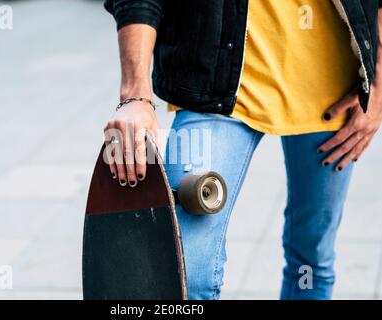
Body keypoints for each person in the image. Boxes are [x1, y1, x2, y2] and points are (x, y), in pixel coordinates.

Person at [102, 0, 382, 299]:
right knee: (185, 271)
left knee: (311, 259)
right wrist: (134, 94)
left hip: (332, 93)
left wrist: (378, 86)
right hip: (212, 83)